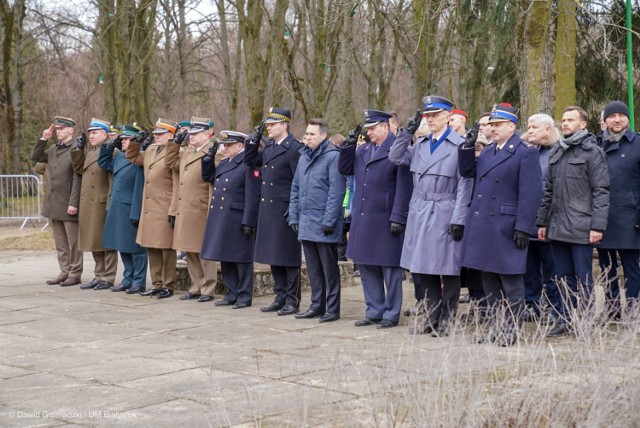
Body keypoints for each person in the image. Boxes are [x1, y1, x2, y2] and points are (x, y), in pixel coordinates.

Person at [459, 103, 542, 346]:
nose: (491, 129)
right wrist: (466, 146)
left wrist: (524, 227)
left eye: (496, 125)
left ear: (511, 126)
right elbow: (467, 172)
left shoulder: (525, 152)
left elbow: (531, 193)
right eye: (490, 125)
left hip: (507, 225)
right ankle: (496, 326)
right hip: (484, 223)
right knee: (490, 283)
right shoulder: (487, 151)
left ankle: (511, 330)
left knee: (512, 283)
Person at [390, 97, 473, 336]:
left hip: (445, 210)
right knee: (423, 269)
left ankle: (447, 319)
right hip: (420, 210)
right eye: (428, 116)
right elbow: (395, 158)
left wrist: (459, 218)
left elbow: (465, 184)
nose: (431, 119)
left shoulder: (460, 144)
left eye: (436, 115)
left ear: (448, 116)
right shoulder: (420, 143)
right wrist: (406, 132)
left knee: (447, 268)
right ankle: (430, 316)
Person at [536, 106, 609, 337]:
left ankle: (584, 323)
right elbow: (548, 191)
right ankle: (566, 319)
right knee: (562, 278)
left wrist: (597, 226)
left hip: (582, 227)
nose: (565, 123)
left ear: (584, 124)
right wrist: (542, 223)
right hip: (557, 226)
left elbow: (601, 191)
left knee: (584, 278)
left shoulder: (593, 152)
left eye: (570, 120)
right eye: (563, 119)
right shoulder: (557, 151)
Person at [338, 110, 411, 329]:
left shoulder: (397, 149)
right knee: (367, 266)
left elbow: (403, 187)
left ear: (385, 127)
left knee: (390, 269)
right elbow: (344, 169)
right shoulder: (363, 151)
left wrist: (398, 216)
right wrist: (348, 147)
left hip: (386, 216)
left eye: (373, 128)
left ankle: (391, 312)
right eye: (367, 128)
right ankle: (374, 310)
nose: (369, 132)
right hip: (364, 216)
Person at [244, 107, 304, 316]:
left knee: (288, 257)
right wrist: (254, 138)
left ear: (284, 125)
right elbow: (250, 161)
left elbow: (299, 182)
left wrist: (295, 209)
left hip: (285, 210)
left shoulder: (295, 148)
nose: (268, 127)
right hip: (268, 209)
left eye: (272, 124)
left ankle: (292, 299)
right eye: (267, 125)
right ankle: (279, 296)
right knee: (273, 256)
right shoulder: (269, 147)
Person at [290, 118, 346, 322]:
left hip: (324, 224)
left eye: (312, 134)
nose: (307, 137)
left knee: (329, 269)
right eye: (306, 133)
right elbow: (295, 188)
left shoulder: (333, 157)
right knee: (313, 269)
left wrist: (329, 221)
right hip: (306, 221)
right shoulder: (304, 157)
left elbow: (336, 191)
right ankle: (316, 305)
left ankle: (332, 308)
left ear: (323, 136)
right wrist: (293, 216)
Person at [201, 131, 261, 308]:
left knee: (241, 259)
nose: (224, 148)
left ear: (240, 146)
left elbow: (252, 194)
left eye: (229, 145)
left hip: (238, 217)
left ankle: (244, 295)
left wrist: (249, 220)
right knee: (225, 256)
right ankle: (231, 292)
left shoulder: (247, 163)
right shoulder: (225, 162)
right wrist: (207, 160)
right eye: (224, 145)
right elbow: (209, 178)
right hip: (223, 216)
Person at [166, 117, 219, 303]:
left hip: (202, 207)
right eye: (190, 134)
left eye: (195, 134)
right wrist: (175, 144)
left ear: (207, 135)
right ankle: (196, 286)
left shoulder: (213, 152)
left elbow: (214, 179)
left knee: (204, 252)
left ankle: (208, 288)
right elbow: (170, 164)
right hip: (186, 208)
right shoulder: (187, 153)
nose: (191, 137)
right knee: (190, 251)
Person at [596, 101, 640, 321]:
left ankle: (633, 310)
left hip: (630, 215)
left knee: (632, 268)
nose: (617, 120)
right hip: (602, 216)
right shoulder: (595, 144)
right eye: (612, 116)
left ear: (628, 120)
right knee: (606, 266)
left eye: (622, 116)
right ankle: (612, 309)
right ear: (604, 121)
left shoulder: (638, 143)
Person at [126, 118, 179, 299]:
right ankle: (157, 283)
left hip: (164, 205)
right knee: (152, 247)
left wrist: (173, 209)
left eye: (161, 134)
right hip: (149, 207)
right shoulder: (150, 150)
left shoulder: (177, 151)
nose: (157, 137)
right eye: (155, 134)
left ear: (171, 135)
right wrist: (136, 142)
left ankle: (168, 284)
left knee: (166, 248)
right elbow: (132, 158)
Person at [30, 116, 83, 286]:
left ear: (71, 130)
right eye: (57, 129)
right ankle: (65, 270)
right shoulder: (53, 149)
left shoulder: (76, 149)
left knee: (73, 242)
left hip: (68, 203)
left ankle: (75, 273)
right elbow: (36, 157)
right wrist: (44, 138)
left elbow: (77, 178)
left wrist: (74, 203)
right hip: (53, 203)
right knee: (60, 241)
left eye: (62, 129)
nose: (58, 132)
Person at [98, 124, 148, 293]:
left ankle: (138, 281)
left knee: (136, 248)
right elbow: (104, 163)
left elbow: (139, 187)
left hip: (131, 207)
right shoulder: (120, 157)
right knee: (121, 244)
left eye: (127, 139)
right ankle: (128, 277)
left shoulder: (140, 158)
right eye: (123, 139)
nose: (124, 141)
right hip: (117, 206)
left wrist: (136, 212)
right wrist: (109, 146)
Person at [70, 118, 119, 290]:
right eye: (90, 133)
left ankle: (109, 277)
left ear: (105, 134)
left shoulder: (112, 152)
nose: (92, 136)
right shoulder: (91, 153)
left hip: (102, 202)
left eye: (95, 132)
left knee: (106, 243)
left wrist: (110, 203)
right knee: (93, 241)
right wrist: (78, 149)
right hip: (89, 204)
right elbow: (78, 169)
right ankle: (99, 275)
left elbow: (113, 179)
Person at [522, 114, 560, 322]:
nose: (530, 131)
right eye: (528, 127)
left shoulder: (557, 151)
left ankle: (555, 307)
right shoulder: (526, 151)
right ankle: (531, 305)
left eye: (535, 127)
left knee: (551, 269)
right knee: (529, 269)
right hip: (526, 222)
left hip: (550, 222)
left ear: (548, 129)